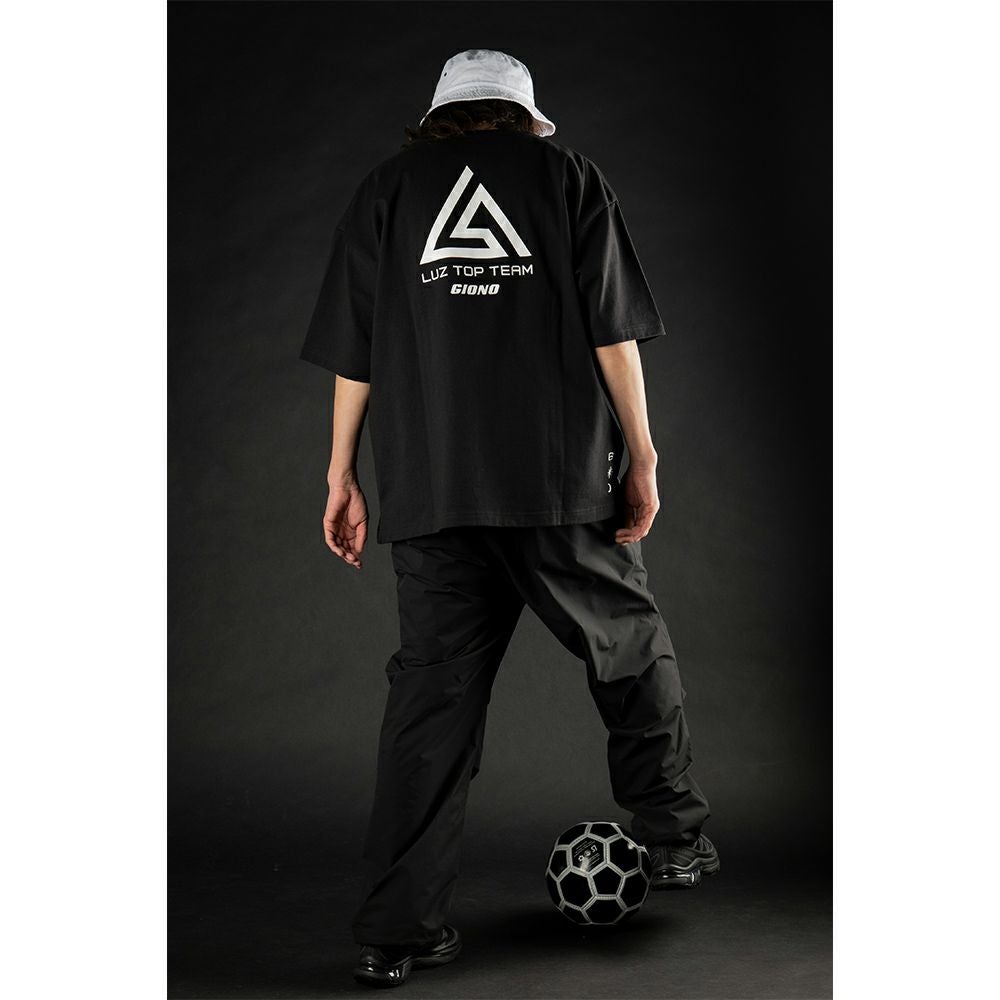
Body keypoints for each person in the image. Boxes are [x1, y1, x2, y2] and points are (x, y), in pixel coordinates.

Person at [300, 48, 720, 989]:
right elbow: (612, 328)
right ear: (525, 116)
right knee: (626, 644)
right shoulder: (567, 177)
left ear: (439, 116)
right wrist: (643, 454)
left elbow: (355, 352)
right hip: (558, 482)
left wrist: (340, 473)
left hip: (430, 489)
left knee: (431, 706)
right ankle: (672, 835)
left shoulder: (386, 191)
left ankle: (396, 932)